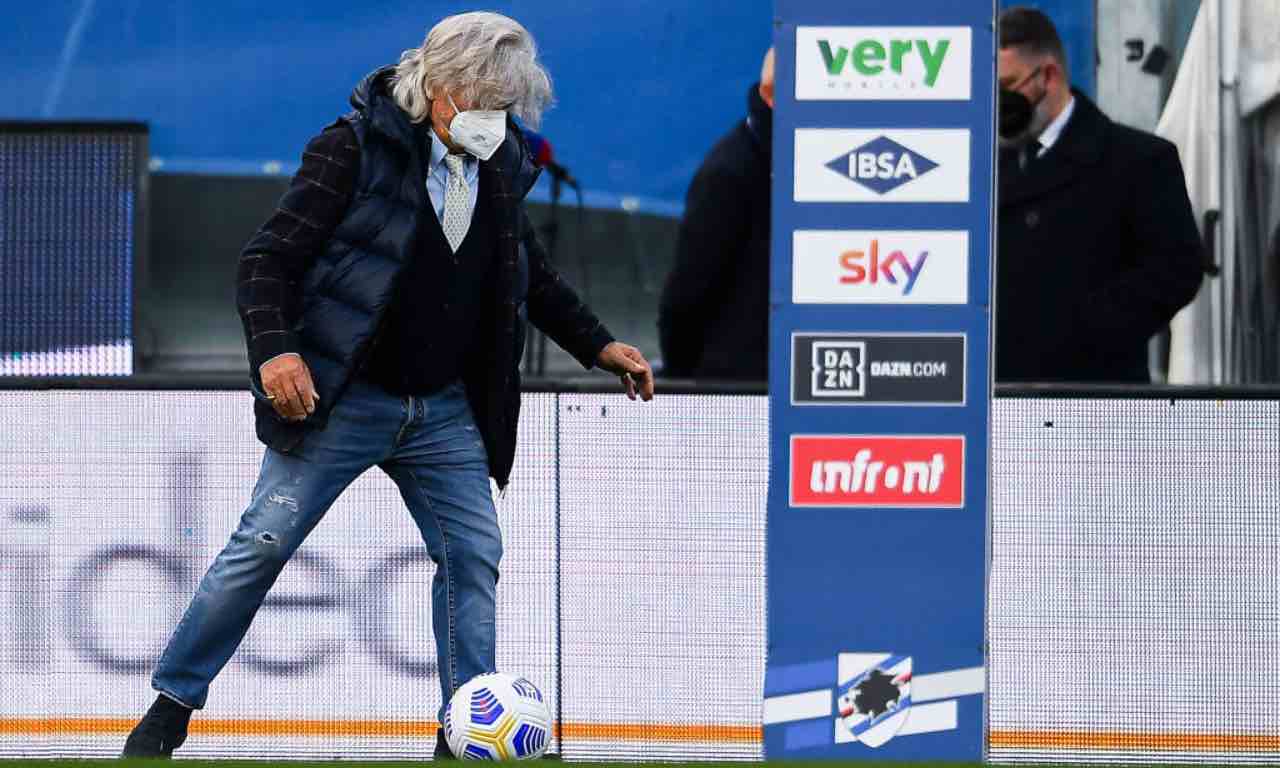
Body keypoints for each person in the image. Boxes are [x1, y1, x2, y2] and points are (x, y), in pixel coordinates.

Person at [122, 11, 654, 760]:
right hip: (343, 398)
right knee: (262, 546)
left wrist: (599, 345)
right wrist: (277, 352)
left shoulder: (501, 169)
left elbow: (531, 275)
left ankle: (461, 733)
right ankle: (169, 710)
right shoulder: (350, 150)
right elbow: (265, 263)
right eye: (484, 103)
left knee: (473, 556)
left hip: (442, 410)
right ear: (438, 89)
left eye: (506, 108)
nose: (494, 121)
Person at [996, 7, 1203, 382]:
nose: (998, 103)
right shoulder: (982, 168)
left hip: (1096, 397)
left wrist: (1087, 324)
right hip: (1001, 398)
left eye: (1007, 87)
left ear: (1048, 75)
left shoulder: (1139, 161)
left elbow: (1178, 268)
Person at [657, 49, 773, 381]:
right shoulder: (729, 171)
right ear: (770, 95)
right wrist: (681, 372)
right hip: (734, 382)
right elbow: (688, 290)